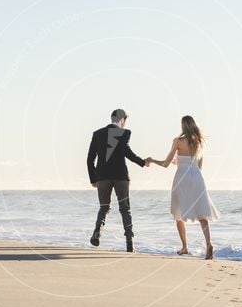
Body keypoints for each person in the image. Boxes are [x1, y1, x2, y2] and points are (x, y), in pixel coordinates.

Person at [147, 115, 220, 259]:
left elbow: (166, 164)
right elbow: (198, 166)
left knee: (178, 212)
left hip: (182, 178)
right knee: (202, 213)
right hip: (197, 177)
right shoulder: (200, 142)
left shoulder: (178, 141)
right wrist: (182, 162)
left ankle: (185, 247)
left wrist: (152, 160)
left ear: (183, 126)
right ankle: (209, 244)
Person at [86, 108, 147, 252]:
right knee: (125, 209)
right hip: (121, 176)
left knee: (104, 207)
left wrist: (93, 178)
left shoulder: (98, 134)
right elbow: (126, 152)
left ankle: (97, 231)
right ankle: (129, 242)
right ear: (123, 119)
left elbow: (89, 159)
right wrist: (142, 162)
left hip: (102, 177)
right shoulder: (125, 133)